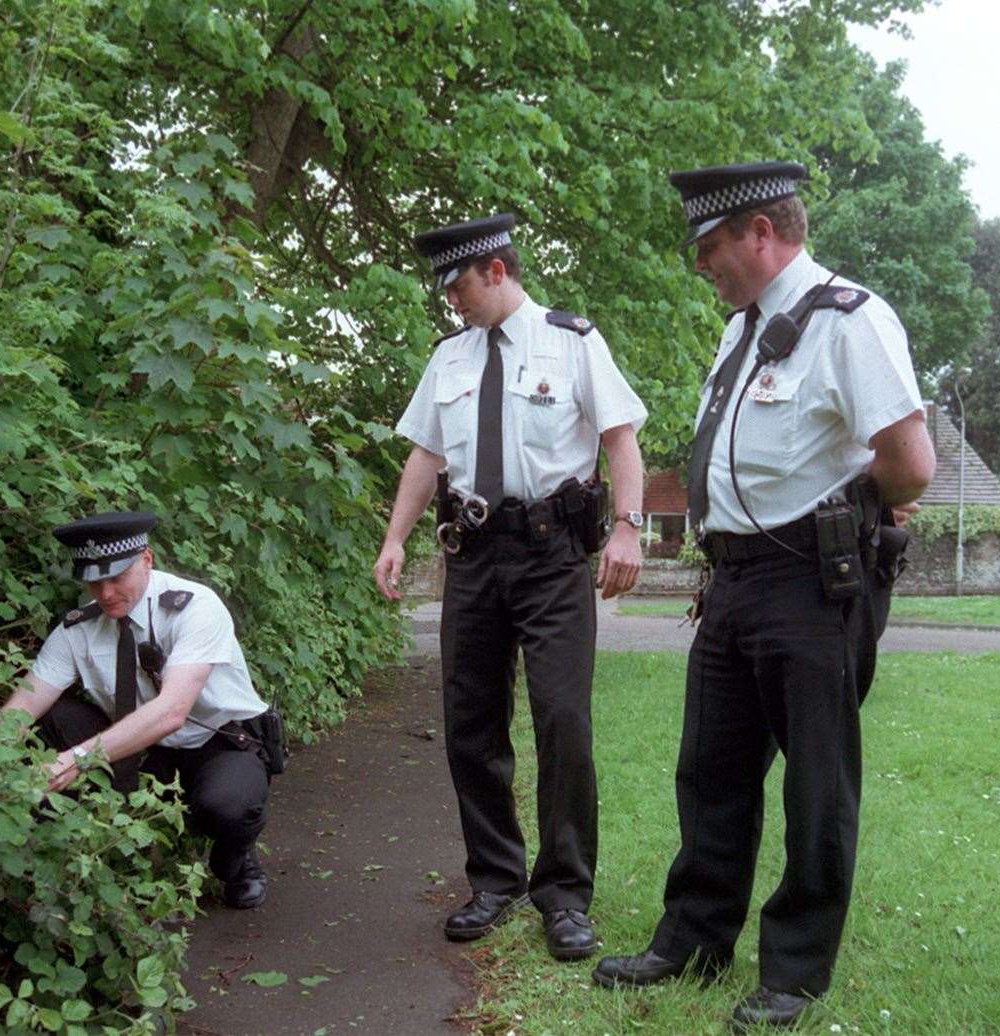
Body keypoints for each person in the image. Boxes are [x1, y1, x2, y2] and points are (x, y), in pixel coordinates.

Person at [591, 162, 935, 1029]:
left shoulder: (849, 321)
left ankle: (793, 970)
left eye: (710, 247)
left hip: (812, 580)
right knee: (710, 771)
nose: (700, 264)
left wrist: (859, 509)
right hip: (734, 579)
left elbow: (909, 460)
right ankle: (693, 938)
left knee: (816, 782)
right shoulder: (743, 329)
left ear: (760, 232)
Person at [373, 214, 648, 961]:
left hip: (551, 552)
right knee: (470, 719)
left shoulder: (572, 340)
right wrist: (395, 538)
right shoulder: (450, 358)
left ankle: (563, 895)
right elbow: (427, 454)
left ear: (496, 270)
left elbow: (620, 437)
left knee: (562, 719)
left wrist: (627, 526)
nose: (451, 302)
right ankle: (494, 879)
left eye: (458, 285)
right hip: (472, 555)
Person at [0, 511, 274, 910]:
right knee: (48, 718)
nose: (105, 593)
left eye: (116, 577)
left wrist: (75, 761)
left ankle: (236, 858)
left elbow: (173, 711)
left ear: (146, 560)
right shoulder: (78, 629)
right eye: (93, 581)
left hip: (217, 741)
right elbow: (21, 707)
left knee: (228, 807)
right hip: (142, 746)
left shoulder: (194, 609)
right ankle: (88, 851)